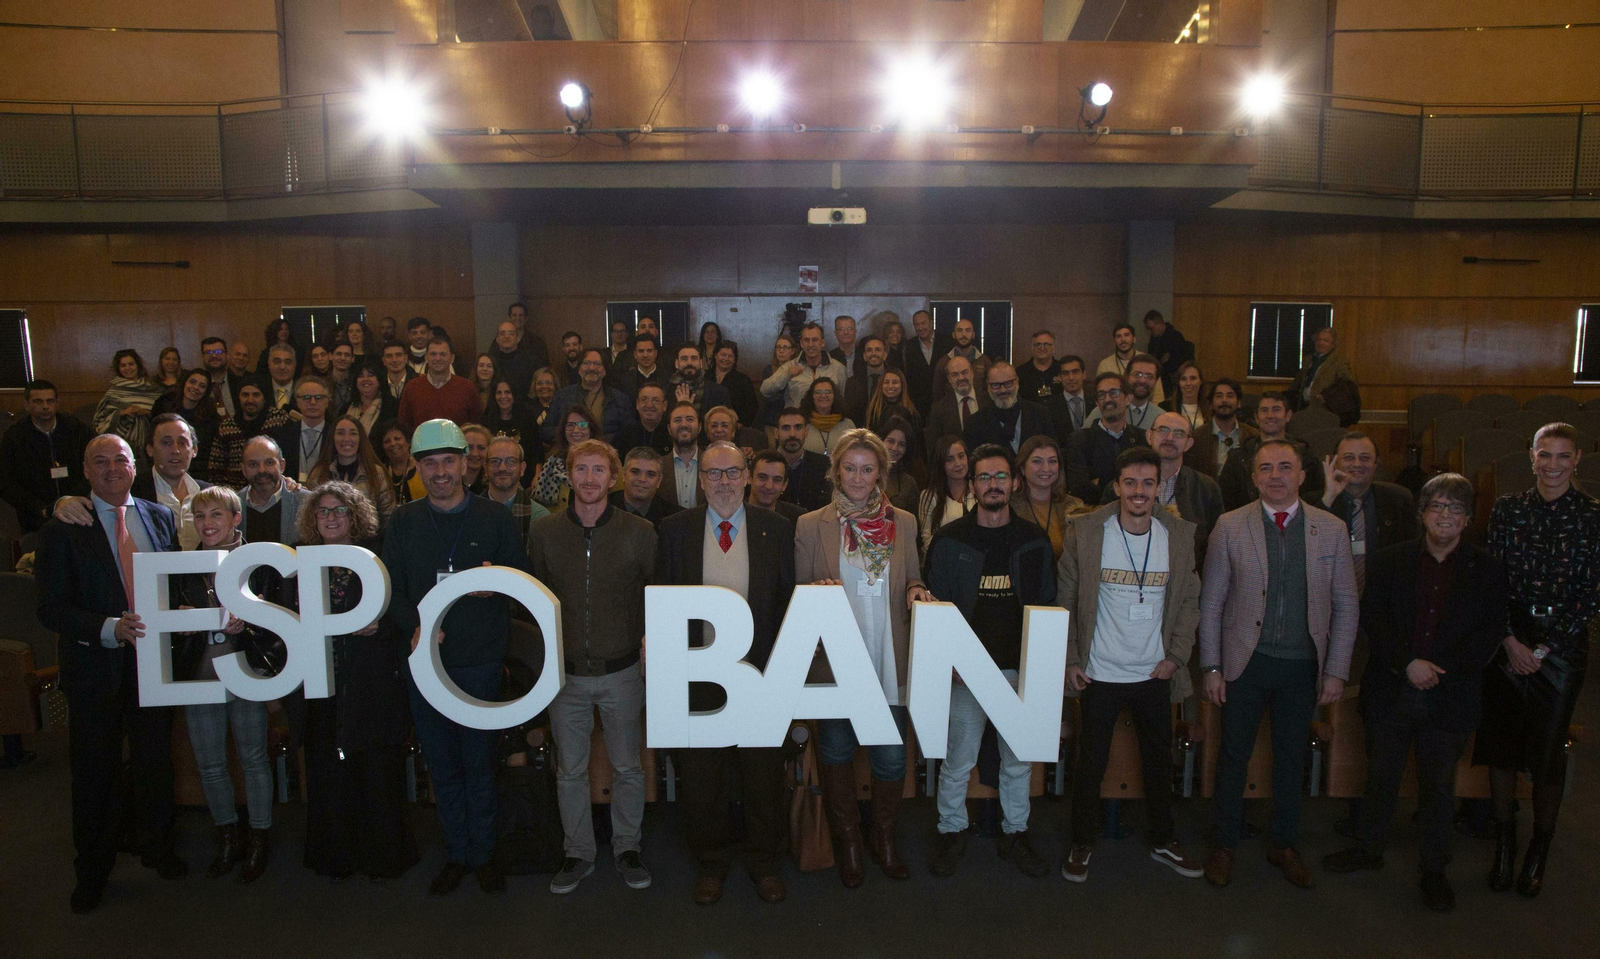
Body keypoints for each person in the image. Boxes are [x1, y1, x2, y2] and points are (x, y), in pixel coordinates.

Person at [1322, 474, 1508, 912]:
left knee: (1439, 787)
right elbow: (1374, 618)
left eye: (1456, 509)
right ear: (1422, 513)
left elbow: (1490, 632)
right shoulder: (1390, 561)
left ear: (1467, 519)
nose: (1446, 515)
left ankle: (1434, 868)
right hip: (1392, 686)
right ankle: (1369, 850)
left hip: (1450, 694)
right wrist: (1407, 662)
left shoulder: (1488, 569)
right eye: (1437, 506)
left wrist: (1438, 671)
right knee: (1381, 776)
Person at [1199, 439, 1359, 889]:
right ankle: (1225, 843)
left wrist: (1336, 671)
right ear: (1253, 477)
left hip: (1303, 666)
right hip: (1244, 662)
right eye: (1265, 468)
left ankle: (1284, 843)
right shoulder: (1230, 526)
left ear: (1303, 475)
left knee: (1292, 759)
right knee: (1233, 756)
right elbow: (1211, 603)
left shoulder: (1330, 529)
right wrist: (1210, 665)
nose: (1275, 475)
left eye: (1284, 467)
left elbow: (1346, 604)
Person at [35, 434, 183, 913]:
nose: (112, 468)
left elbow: (175, 582)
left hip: (154, 664)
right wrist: (107, 628)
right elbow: (50, 608)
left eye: (120, 459)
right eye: (100, 461)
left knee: (154, 762)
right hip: (94, 668)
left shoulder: (159, 516)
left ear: (135, 466)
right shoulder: (64, 526)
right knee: (94, 773)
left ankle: (158, 847)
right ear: (85, 468)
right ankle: (93, 871)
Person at [384, 419, 531, 896]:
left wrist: (501, 583)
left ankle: (484, 855)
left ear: (467, 463)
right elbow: (392, 593)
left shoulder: (494, 518)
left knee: (479, 763)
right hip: (425, 663)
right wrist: (419, 626)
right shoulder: (403, 523)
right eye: (431, 463)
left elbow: (522, 581)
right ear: (417, 468)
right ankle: (457, 853)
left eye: (450, 461)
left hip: (481, 661)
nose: (441, 471)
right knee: (442, 764)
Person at [658, 442, 795, 905]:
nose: (723, 483)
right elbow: (662, 600)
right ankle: (711, 864)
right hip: (697, 675)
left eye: (733, 472)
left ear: (748, 476)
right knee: (703, 778)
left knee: (762, 774)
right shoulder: (675, 530)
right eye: (714, 474)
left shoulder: (776, 529)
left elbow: (785, 601)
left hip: (759, 673)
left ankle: (764, 863)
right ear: (700, 480)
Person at [1059, 447, 1205, 883]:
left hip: (1153, 673)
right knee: (1091, 763)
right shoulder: (1087, 532)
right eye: (1130, 483)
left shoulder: (1176, 537)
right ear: (1117, 486)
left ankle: (1163, 838)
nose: (1138, 492)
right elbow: (1065, 600)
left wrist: (1176, 657)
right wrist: (1070, 658)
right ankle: (1082, 841)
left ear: (1159, 487)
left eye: (1147, 483)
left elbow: (1189, 603)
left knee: (1159, 763)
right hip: (1099, 671)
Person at [797, 429, 929, 887]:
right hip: (835, 659)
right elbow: (799, 591)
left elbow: (913, 576)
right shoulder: (811, 523)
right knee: (835, 750)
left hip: (888, 653)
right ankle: (849, 842)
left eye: (867, 468)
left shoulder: (906, 522)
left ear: (881, 473)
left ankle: (883, 838)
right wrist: (812, 592)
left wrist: (915, 588)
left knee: (892, 759)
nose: (858, 477)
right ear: (836, 471)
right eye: (849, 468)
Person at [527, 439, 657, 895]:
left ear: (614, 477)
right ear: (568, 475)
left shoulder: (640, 532)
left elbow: (654, 596)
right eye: (581, 469)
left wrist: (647, 640)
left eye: (598, 470)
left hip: (623, 672)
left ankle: (627, 846)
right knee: (569, 770)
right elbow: (535, 598)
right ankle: (578, 852)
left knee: (627, 767)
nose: (589, 479)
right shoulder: (543, 534)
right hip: (565, 675)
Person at [1476, 422, 1600, 899]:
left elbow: (1591, 595)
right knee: (1502, 747)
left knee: (1547, 754)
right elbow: (1494, 581)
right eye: (1544, 455)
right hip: (1510, 641)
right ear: (1530, 457)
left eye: (1562, 457)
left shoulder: (1592, 515)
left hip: (1562, 648)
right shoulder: (1508, 510)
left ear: (1577, 460)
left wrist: (1544, 649)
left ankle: (1538, 849)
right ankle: (1504, 843)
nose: (1552, 465)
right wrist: (1510, 640)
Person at [924, 443, 1057, 877]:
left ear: (1015, 482)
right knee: (957, 759)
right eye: (984, 477)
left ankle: (1015, 832)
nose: (993, 484)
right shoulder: (949, 540)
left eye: (1001, 476)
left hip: (1020, 668)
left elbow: (1047, 604)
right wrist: (949, 662)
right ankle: (950, 831)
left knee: (1018, 761)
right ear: (971, 484)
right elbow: (935, 608)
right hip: (967, 672)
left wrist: (1036, 668)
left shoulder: (1033, 541)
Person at [295, 479, 419, 882]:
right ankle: (336, 854)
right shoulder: (298, 564)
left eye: (339, 510)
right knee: (328, 768)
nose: (331, 518)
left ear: (355, 515)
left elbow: (400, 610)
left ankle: (383, 854)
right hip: (319, 682)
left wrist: (380, 625)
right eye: (323, 511)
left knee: (376, 766)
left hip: (371, 679)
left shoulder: (378, 558)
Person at [168, 486, 275, 883]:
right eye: (200, 516)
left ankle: (260, 837)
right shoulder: (182, 565)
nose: (207, 523)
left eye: (216, 515)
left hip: (246, 671)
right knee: (209, 763)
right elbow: (166, 623)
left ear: (236, 518)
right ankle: (227, 836)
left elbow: (282, 614)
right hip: (200, 674)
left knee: (253, 758)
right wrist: (181, 616)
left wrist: (251, 616)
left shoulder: (260, 561)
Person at [55, 413, 215, 551]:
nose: (175, 450)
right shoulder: (124, 486)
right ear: (150, 449)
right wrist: (62, 502)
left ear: (194, 450)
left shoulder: (210, 494)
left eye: (182, 442)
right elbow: (77, 500)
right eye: (166, 442)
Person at [1102, 412, 1224, 570]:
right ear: (1149, 436)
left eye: (1179, 433)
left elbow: (1216, 548)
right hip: (1128, 578)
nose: (1170, 438)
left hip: (1185, 579)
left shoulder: (1206, 488)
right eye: (1163, 430)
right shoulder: (1121, 487)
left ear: (1189, 443)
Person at [1320, 432, 1417, 596]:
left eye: (1365, 458)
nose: (1357, 464)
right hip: (1330, 598)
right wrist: (1329, 498)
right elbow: (1309, 547)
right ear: (1335, 463)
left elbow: (1410, 556)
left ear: (1375, 464)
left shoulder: (1399, 500)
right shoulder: (1317, 502)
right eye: (1349, 458)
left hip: (1383, 599)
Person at [1, 380, 94, 532]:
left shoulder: (77, 430)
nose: (45, 406)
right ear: (27, 405)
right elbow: (7, 483)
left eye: (50, 401)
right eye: (38, 401)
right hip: (36, 517)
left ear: (57, 403)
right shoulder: (15, 437)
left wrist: (71, 501)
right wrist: (42, 509)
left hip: (80, 511)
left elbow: (94, 469)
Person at [1218, 392, 1324, 511]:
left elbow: (1318, 495)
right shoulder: (1238, 457)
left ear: (1288, 415)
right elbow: (1225, 500)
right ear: (1257, 418)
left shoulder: (1305, 456)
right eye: (1264, 410)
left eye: (1276, 409)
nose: (1270, 415)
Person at [1066, 372, 1149, 502]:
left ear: (1128, 398)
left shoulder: (1143, 438)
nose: (1107, 399)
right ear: (1097, 403)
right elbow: (1079, 490)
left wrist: (1099, 482)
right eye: (1101, 395)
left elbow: (1147, 484)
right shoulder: (1080, 439)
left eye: (1113, 393)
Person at [306, 415, 397, 524]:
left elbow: (389, 516)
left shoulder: (377, 473)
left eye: (353, 433)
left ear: (361, 438)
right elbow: (309, 517)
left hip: (367, 539)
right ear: (332, 438)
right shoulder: (318, 474)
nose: (347, 439)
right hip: (328, 539)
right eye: (340, 433)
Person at [1011, 434, 1088, 561]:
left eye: (1052, 461)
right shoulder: (1009, 507)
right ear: (1022, 468)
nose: (1046, 468)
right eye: (1037, 461)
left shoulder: (1074, 505)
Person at [206, 382, 291, 490]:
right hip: (235, 494)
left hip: (273, 489)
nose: (250, 400)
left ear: (264, 397)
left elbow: (289, 458)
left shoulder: (279, 419)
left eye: (256, 395)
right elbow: (215, 470)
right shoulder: (226, 427)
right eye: (245, 395)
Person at [545, 348, 633, 446]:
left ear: (605, 370)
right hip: (570, 454)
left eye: (597, 364)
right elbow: (546, 431)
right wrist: (571, 433)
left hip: (606, 454)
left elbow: (628, 434)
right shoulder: (562, 396)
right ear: (579, 369)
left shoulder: (621, 399)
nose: (591, 368)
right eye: (586, 363)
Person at [963, 362, 1054, 454]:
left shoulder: (1040, 415)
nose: (1002, 390)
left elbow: (1052, 454)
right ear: (988, 386)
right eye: (996, 385)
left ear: (1017, 382)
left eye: (1008, 383)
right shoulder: (974, 423)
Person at [398, 337, 481, 431]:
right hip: (421, 445)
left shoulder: (467, 387)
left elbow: (476, 426)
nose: (438, 358)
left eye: (443, 354)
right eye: (433, 354)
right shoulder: (411, 387)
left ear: (452, 358)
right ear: (426, 357)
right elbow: (404, 426)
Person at [761, 322, 848, 412]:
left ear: (822, 342)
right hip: (797, 422)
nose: (810, 344)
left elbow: (843, 400)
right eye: (806, 340)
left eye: (815, 340)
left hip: (829, 422)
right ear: (801, 343)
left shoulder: (838, 368)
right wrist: (787, 375)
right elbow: (765, 390)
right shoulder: (789, 367)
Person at [93, 349, 164, 456]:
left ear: (138, 365)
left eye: (131, 364)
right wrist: (121, 413)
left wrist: (148, 412)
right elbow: (100, 418)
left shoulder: (153, 388)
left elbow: (163, 413)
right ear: (119, 369)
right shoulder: (114, 391)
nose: (128, 368)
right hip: (121, 443)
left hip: (152, 441)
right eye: (123, 365)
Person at [482, 436, 549, 540]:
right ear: (485, 468)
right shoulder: (469, 513)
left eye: (511, 461)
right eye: (495, 461)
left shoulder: (540, 517)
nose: (502, 468)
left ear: (522, 468)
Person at [918, 435, 975, 554]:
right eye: (950, 459)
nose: (958, 463)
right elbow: (927, 540)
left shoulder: (979, 489)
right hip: (944, 563)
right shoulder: (929, 496)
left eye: (961, 456)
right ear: (940, 464)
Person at [1190, 378, 1254, 479]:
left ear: (1239, 403)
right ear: (1211, 404)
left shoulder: (1252, 435)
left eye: (1230, 396)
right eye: (1219, 396)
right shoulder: (1196, 438)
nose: (1224, 400)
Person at [922, 355, 987, 456]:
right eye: (955, 374)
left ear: (972, 374)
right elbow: (935, 449)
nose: (961, 378)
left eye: (964, 372)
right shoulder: (939, 409)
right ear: (949, 379)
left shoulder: (988, 401)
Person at [274, 376, 333, 483]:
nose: (313, 402)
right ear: (297, 402)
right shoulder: (284, 434)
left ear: (327, 402)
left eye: (318, 397)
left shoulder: (335, 434)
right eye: (306, 397)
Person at [1291, 327, 1357, 421]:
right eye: (1319, 340)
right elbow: (1297, 383)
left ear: (1333, 344)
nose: (1321, 343)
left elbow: (1348, 384)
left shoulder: (1339, 362)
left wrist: (1327, 396)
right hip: (1303, 407)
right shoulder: (1308, 360)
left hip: (1324, 409)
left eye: (1325, 341)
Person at [774, 408, 832, 512]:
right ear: (776, 433)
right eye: (786, 428)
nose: (792, 434)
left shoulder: (823, 464)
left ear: (806, 432)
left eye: (798, 427)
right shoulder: (765, 465)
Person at [534, 406, 592, 509]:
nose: (576, 430)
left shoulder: (608, 461)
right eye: (570, 425)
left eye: (583, 425)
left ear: (591, 429)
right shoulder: (552, 462)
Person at [610, 446, 682, 528]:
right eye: (635, 472)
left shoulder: (675, 518)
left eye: (650, 474)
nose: (642, 479)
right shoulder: (603, 509)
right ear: (623, 474)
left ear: (659, 480)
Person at [1086, 353, 1161, 432]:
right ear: (1127, 376)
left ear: (1156, 381)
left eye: (1149, 376)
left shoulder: (1160, 416)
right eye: (1137, 374)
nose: (1142, 380)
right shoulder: (1103, 411)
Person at [1096, 322, 1165, 407]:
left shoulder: (1148, 362)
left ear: (1134, 339)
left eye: (1126, 335)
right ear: (1114, 341)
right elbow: (1101, 395)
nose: (1123, 339)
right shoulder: (1105, 365)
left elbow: (1158, 396)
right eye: (1118, 336)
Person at [930, 318, 992, 407]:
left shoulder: (985, 362)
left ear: (973, 335)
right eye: (959, 331)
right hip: (951, 414)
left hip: (980, 413)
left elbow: (990, 391)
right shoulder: (943, 363)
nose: (964, 334)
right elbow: (937, 395)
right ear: (953, 335)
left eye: (968, 330)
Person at [902, 309, 952, 413]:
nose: (920, 328)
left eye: (923, 323)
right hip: (918, 403)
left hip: (944, 400)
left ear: (931, 322)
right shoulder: (910, 346)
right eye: (917, 324)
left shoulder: (947, 342)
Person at [663, 402, 705, 510]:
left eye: (690, 419)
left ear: (700, 427)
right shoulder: (658, 466)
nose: (684, 424)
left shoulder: (713, 464)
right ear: (668, 428)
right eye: (677, 420)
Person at [1142, 310, 1194, 397]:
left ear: (1159, 323)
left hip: (1173, 378)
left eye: (1151, 328)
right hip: (1161, 377)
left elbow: (1179, 360)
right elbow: (1152, 360)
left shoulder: (1175, 336)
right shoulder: (1153, 340)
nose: (1149, 332)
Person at [881, 417, 925, 515]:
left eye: (901, 444)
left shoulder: (909, 484)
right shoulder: (865, 474)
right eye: (891, 441)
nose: (895, 448)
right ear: (880, 441)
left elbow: (912, 524)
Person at [711, 341, 760, 428]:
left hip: (734, 427)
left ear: (734, 360)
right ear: (715, 355)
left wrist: (741, 423)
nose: (726, 358)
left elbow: (752, 406)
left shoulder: (743, 380)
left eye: (730, 356)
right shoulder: (705, 376)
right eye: (723, 354)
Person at [800, 377, 853, 458]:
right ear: (811, 397)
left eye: (828, 392)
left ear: (835, 396)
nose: (823, 396)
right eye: (818, 392)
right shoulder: (802, 424)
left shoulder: (847, 424)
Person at [376, 421, 426, 506]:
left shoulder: (423, 467)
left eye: (397, 439)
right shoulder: (380, 473)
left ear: (409, 442)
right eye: (387, 441)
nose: (392, 443)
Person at [616, 382, 671, 457]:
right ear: (637, 404)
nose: (649, 405)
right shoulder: (626, 433)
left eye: (655, 400)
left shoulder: (672, 433)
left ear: (664, 406)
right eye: (644, 400)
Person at [842, 335, 890, 422]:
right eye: (869, 350)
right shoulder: (853, 383)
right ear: (864, 356)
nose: (873, 353)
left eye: (878, 350)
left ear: (885, 355)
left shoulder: (895, 380)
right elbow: (849, 414)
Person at [757, 333, 798, 433]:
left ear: (792, 351)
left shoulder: (798, 368)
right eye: (778, 347)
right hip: (772, 415)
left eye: (785, 347)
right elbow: (767, 394)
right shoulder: (769, 369)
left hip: (792, 413)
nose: (781, 350)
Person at [488, 320, 535, 402]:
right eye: (502, 333)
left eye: (511, 333)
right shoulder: (490, 362)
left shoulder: (530, 361)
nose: (506, 337)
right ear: (497, 339)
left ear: (517, 338)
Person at [1043, 354, 1090, 438]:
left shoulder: (1096, 402)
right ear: (1059, 377)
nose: (1071, 377)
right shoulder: (1049, 408)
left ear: (1084, 374)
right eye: (1065, 373)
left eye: (1075, 372)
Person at [864, 368, 920, 437]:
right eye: (886, 382)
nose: (890, 386)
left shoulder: (911, 412)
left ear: (902, 386)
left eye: (895, 382)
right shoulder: (873, 411)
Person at [613, 334, 666, 400]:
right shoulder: (624, 381)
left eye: (649, 351)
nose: (645, 355)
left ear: (655, 353)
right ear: (635, 354)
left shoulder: (668, 379)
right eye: (641, 351)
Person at [1159, 362, 1207, 431]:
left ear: (1201, 381)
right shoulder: (1165, 407)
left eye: (1193, 378)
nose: (1188, 383)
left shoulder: (1210, 409)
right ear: (1178, 383)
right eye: (1183, 379)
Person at [505, 302, 551, 374]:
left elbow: (545, 369)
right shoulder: (501, 340)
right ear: (508, 317)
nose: (517, 318)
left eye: (521, 315)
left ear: (526, 318)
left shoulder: (537, 342)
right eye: (514, 315)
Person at [1016, 330, 1060, 403]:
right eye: (1038, 344)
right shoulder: (1020, 372)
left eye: (1046, 344)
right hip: (1030, 413)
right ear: (1032, 348)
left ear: (1053, 348)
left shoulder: (1062, 369)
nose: (1042, 348)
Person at [345, 366, 388, 437]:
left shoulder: (391, 407)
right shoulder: (346, 408)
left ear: (379, 380)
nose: (365, 379)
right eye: (361, 376)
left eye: (370, 375)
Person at [263, 343, 301, 414]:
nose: (282, 367)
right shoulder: (260, 390)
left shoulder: (304, 390)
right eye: (277, 362)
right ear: (269, 364)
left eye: (287, 362)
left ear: (295, 365)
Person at [380, 342, 416, 409]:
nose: (394, 360)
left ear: (405, 358)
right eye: (389, 356)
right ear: (383, 361)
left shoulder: (418, 383)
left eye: (398, 355)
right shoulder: (378, 385)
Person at [461, 424, 492, 496]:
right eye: (469, 447)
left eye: (481, 448)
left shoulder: (494, 483)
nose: (475, 454)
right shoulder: (449, 480)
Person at [327, 342, 358, 414]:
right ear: (330, 356)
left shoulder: (357, 383)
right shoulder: (321, 383)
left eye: (347, 355)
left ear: (352, 358)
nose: (342, 358)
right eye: (339, 354)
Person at [529, 367, 558, 432]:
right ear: (534, 386)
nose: (544, 386)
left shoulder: (562, 407)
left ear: (555, 386)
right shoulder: (527, 410)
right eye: (540, 383)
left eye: (549, 383)